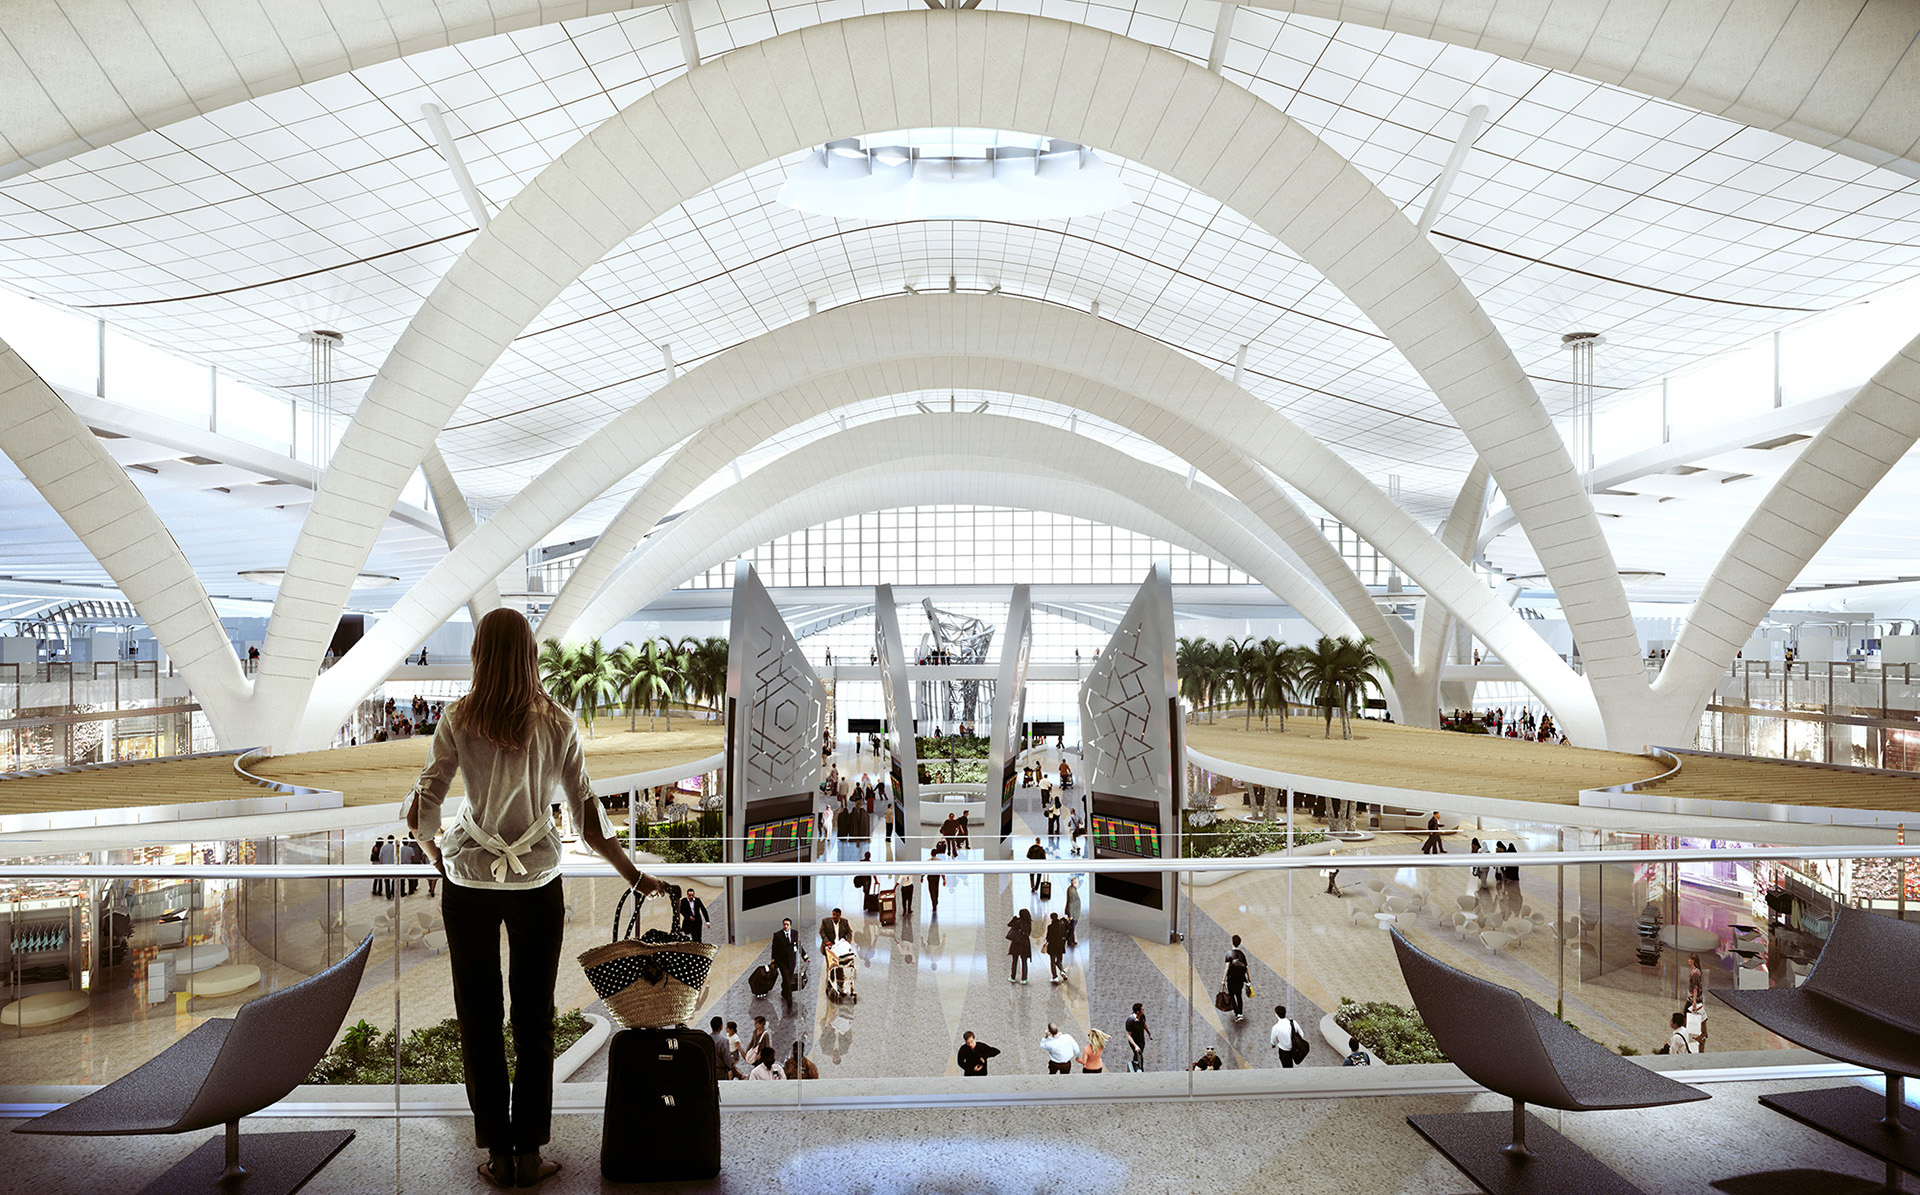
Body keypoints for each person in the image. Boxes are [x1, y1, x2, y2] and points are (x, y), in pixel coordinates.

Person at [403, 606, 659, 1191]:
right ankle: (529, 1153)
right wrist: (633, 874)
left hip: (467, 881)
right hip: (538, 881)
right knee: (535, 1020)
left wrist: (436, 852)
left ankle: (496, 1153)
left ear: (479, 654)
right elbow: (589, 821)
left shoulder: (457, 718)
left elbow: (426, 802)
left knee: (479, 1018)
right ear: (529, 654)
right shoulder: (559, 722)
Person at [772, 917, 801, 999]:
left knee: (788, 978)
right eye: (784, 924)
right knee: (787, 979)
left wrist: (805, 957)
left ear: (790, 925)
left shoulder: (795, 933)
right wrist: (773, 962)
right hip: (782, 962)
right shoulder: (777, 935)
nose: (785, 926)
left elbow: (799, 946)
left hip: (792, 962)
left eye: (787, 925)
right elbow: (774, 950)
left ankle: (784, 992)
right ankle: (789, 997)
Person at [1224, 935, 1250, 1022]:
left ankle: (1237, 1013)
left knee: (1231, 995)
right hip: (1240, 979)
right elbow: (1246, 968)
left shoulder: (1229, 954)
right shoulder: (1242, 954)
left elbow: (1227, 967)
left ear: (1232, 942)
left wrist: (1223, 980)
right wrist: (1248, 979)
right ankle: (1241, 1013)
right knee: (1239, 995)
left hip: (1231, 979)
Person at [1270, 1005, 1302, 1069]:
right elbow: (1301, 1034)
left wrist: (1273, 1044)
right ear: (1285, 1013)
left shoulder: (1276, 1027)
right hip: (1294, 1049)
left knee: (1287, 1067)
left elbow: (1273, 1039)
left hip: (1284, 1051)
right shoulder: (1293, 1023)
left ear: (1277, 1015)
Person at [1007, 908, 1032, 984]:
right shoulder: (1029, 923)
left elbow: (1009, 924)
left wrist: (1014, 919)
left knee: (1014, 961)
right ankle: (1024, 979)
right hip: (1025, 943)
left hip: (1016, 943)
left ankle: (1013, 977)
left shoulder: (1017, 922)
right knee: (1024, 961)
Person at [1124, 1004, 1151, 1072]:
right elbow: (1128, 1035)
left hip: (1141, 1040)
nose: (1143, 1010)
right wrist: (1135, 1046)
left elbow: (1144, 1024)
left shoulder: (1142, 1016)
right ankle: (1140, 1069)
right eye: (1142, 1009)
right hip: (1134, 1041)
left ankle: (1135, 1066)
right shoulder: (1130, 1021)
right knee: (1139, 1056)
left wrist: (1149, 1034)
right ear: (1137, 1011)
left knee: (1137, 1055)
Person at [1045, 912, 1070, 983]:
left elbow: (1048, 937)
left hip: (1053, 946)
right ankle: (1062, 972)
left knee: (1052, 962)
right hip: (1060, 945)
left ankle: (1055, 977)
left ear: (1051, 918)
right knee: (1059, 960)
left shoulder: (1050, 927)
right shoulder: (1062, 925)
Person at [1063, 878, 1081, 948]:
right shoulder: (1072, 891)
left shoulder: (1071, 889)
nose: (1078, 883)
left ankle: (1072, 940)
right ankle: (1070, 941)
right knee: (1072, 927)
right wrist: (1071, 915)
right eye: (1077, 882)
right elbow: (1071, 903)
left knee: (1072, 927)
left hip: (1074, 912)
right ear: (1074, 883)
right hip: (1073, 913)